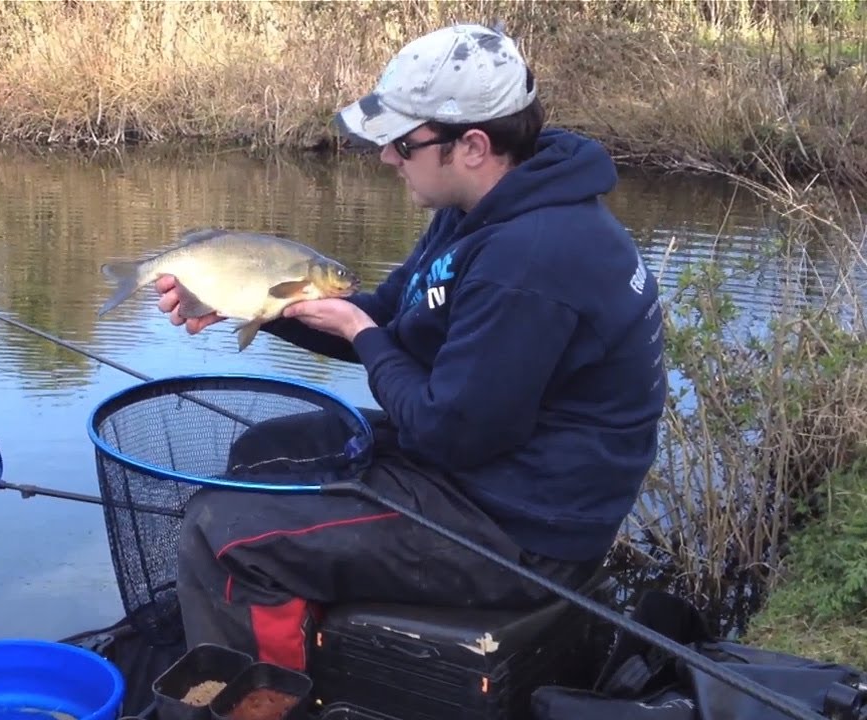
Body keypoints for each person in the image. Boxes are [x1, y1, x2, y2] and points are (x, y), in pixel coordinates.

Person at [158, 22, 667, 671]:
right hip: (485, 467)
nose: (386, 157)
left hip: (520, 531)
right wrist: (250, 303)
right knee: (263, 449)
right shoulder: (480, 209)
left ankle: (258, 703)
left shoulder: (531, 259)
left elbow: (439, 426)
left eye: (402, 142)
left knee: (221, 536)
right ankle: (304, 645)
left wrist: (360, 334)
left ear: (474, 145)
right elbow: (389, 316)